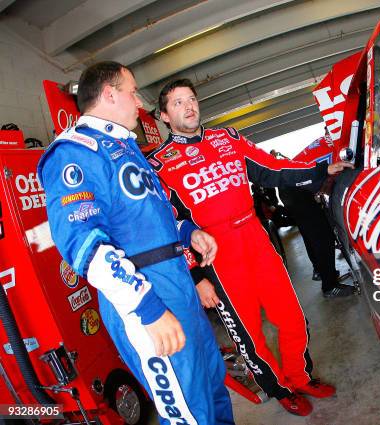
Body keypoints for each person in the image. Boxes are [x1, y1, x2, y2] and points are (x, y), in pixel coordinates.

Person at [38, 62, 234, 425]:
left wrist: (188, 231)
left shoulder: (125, 148)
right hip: (145, 293)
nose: (139, 103)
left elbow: (151, 215)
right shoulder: (74, 152)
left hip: (177, 283)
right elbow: (85, 246)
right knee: (187, 412)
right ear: (110, 94)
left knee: (212, 386)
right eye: (132, 92)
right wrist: (148, 309)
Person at [147, 78, 354, 416]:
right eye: (178, 103)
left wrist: (319, 168)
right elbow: (166, 226)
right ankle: (280, 387)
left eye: (191, 99)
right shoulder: (158, 164)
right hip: (217, 255)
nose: (189, 106)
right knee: (249, 332)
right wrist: (196, 275)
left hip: (256, 238)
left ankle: (300, 376)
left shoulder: (227, 138)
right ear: (166, 116)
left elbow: (272, 169)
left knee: (291, 315)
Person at [278, 186, 353, 297]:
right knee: (323, 236)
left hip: (289, 192)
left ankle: (320, 271)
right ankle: (330, 286)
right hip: (297, 191)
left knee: (310, 234)